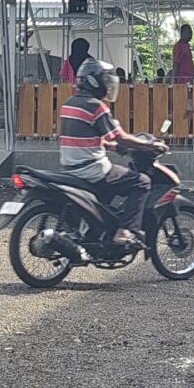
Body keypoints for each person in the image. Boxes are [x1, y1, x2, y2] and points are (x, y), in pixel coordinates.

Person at [56, 58, 144, 249]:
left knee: (108, 189)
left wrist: (107, 145)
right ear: (95, 82)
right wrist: (150, 145)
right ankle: (124, 231)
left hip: (69, 168)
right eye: (106, 81)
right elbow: (121, 138)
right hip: (92, 170)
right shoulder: (96, 106)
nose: (108, 86)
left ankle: (98, 229)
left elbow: (81, 134)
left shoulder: (69, 104)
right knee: (142, 182)